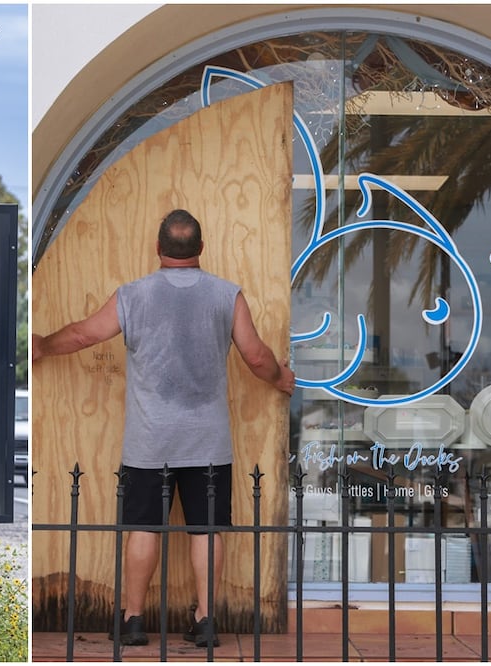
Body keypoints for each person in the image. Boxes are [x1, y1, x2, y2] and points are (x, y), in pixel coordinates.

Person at [32, 209, 295, 647]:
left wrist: (43, 345)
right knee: (206, 530)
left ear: (158, 248)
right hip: (207, 442)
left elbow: (83, 335)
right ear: (200, 249)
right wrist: (281, 379)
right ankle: (206, 620)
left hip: (149, 441)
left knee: (144, 527)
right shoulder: (226, 295)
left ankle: (133, 620)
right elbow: (256, 356)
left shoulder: (132, 296)